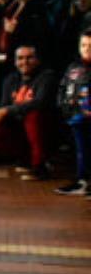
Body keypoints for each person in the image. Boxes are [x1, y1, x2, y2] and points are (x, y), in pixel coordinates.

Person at [0, 45, 57, 180]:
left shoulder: (47, 77)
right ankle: (25, 158)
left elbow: (40, 103)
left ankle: (40, 167)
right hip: (19, 127)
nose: (25, 62)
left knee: (33, 116)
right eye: (20, 58)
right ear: (14, 61)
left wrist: (7, 110)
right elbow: (3, 106)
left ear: (37, 60)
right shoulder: (10, 79)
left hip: (45, 129)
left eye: (29, 58)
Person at [55, 30, 91, 196]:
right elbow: (63, 87)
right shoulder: (74, 67)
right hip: (75, 117)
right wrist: (63, 106)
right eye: (83, 45)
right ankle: (81, 180)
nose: (86, 49)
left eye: (90, 46)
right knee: (80, 150)